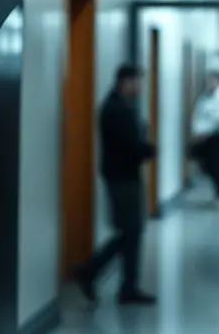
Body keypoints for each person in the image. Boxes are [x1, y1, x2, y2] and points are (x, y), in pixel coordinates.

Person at [74, 63, 157, 305]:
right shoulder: (116, 109)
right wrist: (149, 149)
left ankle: (122, 284)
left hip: (123, 176)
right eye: (137, 81)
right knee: (130, 231)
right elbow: (128, 146)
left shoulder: (119, 105)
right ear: (125, 82)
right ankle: (92, 271)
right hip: (122, 178)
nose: (140, 86)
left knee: (130, 232)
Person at [190, 71, 219, 205]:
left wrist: (206, 131)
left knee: (216, 164)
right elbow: (200, 113)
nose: (209, 83)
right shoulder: (207, 95)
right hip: (205, 134)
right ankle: (218, 191)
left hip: (218, 135)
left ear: (218, 80)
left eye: (212, 80)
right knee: (206, 163)